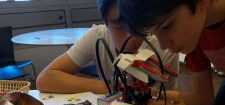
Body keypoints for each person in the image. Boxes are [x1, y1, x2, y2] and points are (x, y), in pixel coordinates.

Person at [119, 0, 225, 105]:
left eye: (167, 26)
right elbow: (203, 98)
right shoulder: (197, 29)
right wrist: (149, 99)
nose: (163, 45)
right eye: (154, 33)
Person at [36, 0, 179, 95]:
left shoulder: (162, 44)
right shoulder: (97, 37)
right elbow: (44, 79)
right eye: (120, 27)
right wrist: (111, 87)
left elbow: (172, 100)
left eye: (138, 23)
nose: (133, 37)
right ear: (105, 22)